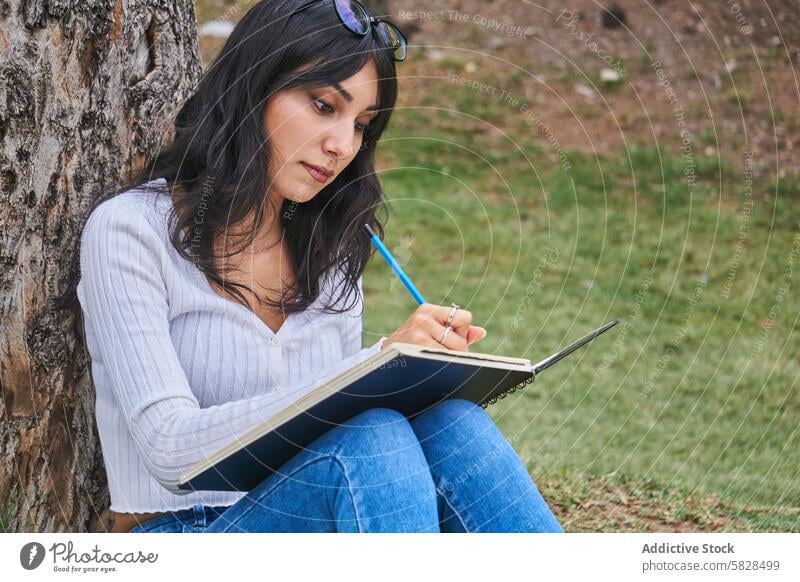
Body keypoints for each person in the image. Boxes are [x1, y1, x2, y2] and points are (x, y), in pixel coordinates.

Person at [60, 0, 563, 533]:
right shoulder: (130, 230)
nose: (342, 146)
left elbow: (341, 430)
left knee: (453, 424)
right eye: (324, 105)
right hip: (184, 531)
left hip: (322, 515)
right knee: (371, 445)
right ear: (255, 87)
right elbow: (170, 450)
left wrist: (409, 374)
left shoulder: (329, 248)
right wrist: (368, 368)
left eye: (362, 125)